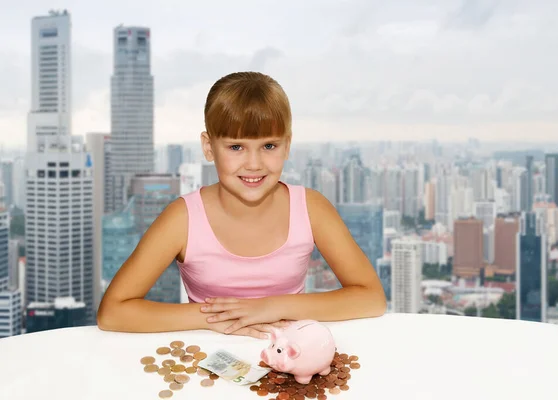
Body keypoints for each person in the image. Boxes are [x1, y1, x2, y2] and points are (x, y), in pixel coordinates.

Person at [97, 71, 387, 338]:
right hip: (208, 356)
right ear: (209, 147)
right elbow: (113, 312)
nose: (253, 164)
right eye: (236, 147)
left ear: (287, 145)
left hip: (293, 352)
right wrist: (218, 317)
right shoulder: (183, 218)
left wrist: (271, 307)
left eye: (269, 146)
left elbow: (371, 298)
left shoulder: (311, 208)